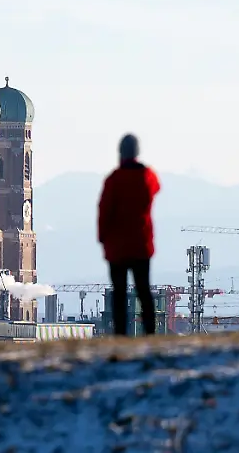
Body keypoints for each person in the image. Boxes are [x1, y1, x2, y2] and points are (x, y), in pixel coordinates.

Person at [98, 133, 161, 336]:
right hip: (142, 243)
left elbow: (104, 211)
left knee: (119, 292)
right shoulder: (147, 176)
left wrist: (103, 237)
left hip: (117, 246)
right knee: (144, 289)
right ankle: (150, 332)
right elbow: (156, 187)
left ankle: (120, 334)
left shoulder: (114, 179)